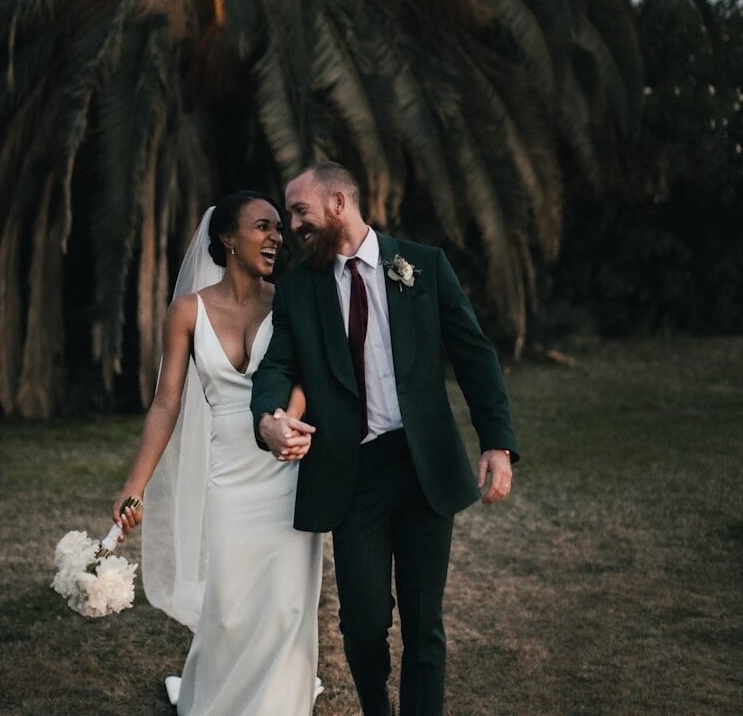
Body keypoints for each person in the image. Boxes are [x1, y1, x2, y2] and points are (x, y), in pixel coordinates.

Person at [251, 162, 519, 716]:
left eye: (301, 211)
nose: (292, 225)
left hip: (423, 467)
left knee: (425, 625)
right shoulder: (298, 289)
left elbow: (474, 353)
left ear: (340, 202)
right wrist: (268, 419)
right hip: (352, 475)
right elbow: (276, 365)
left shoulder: (423, 265)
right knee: (363, 624)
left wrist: (496, 441)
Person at [112, 191, 323, 716]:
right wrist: (134, 485)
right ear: (228, 238)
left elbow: (306, 373)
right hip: (228, 470)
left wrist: (290, 420)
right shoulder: (187, 310)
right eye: (262, 226)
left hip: (287, 462)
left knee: (287, 601)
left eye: (279, 227)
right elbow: (166, 403)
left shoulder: (290, 298)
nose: (277, 236)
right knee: (229, 605)